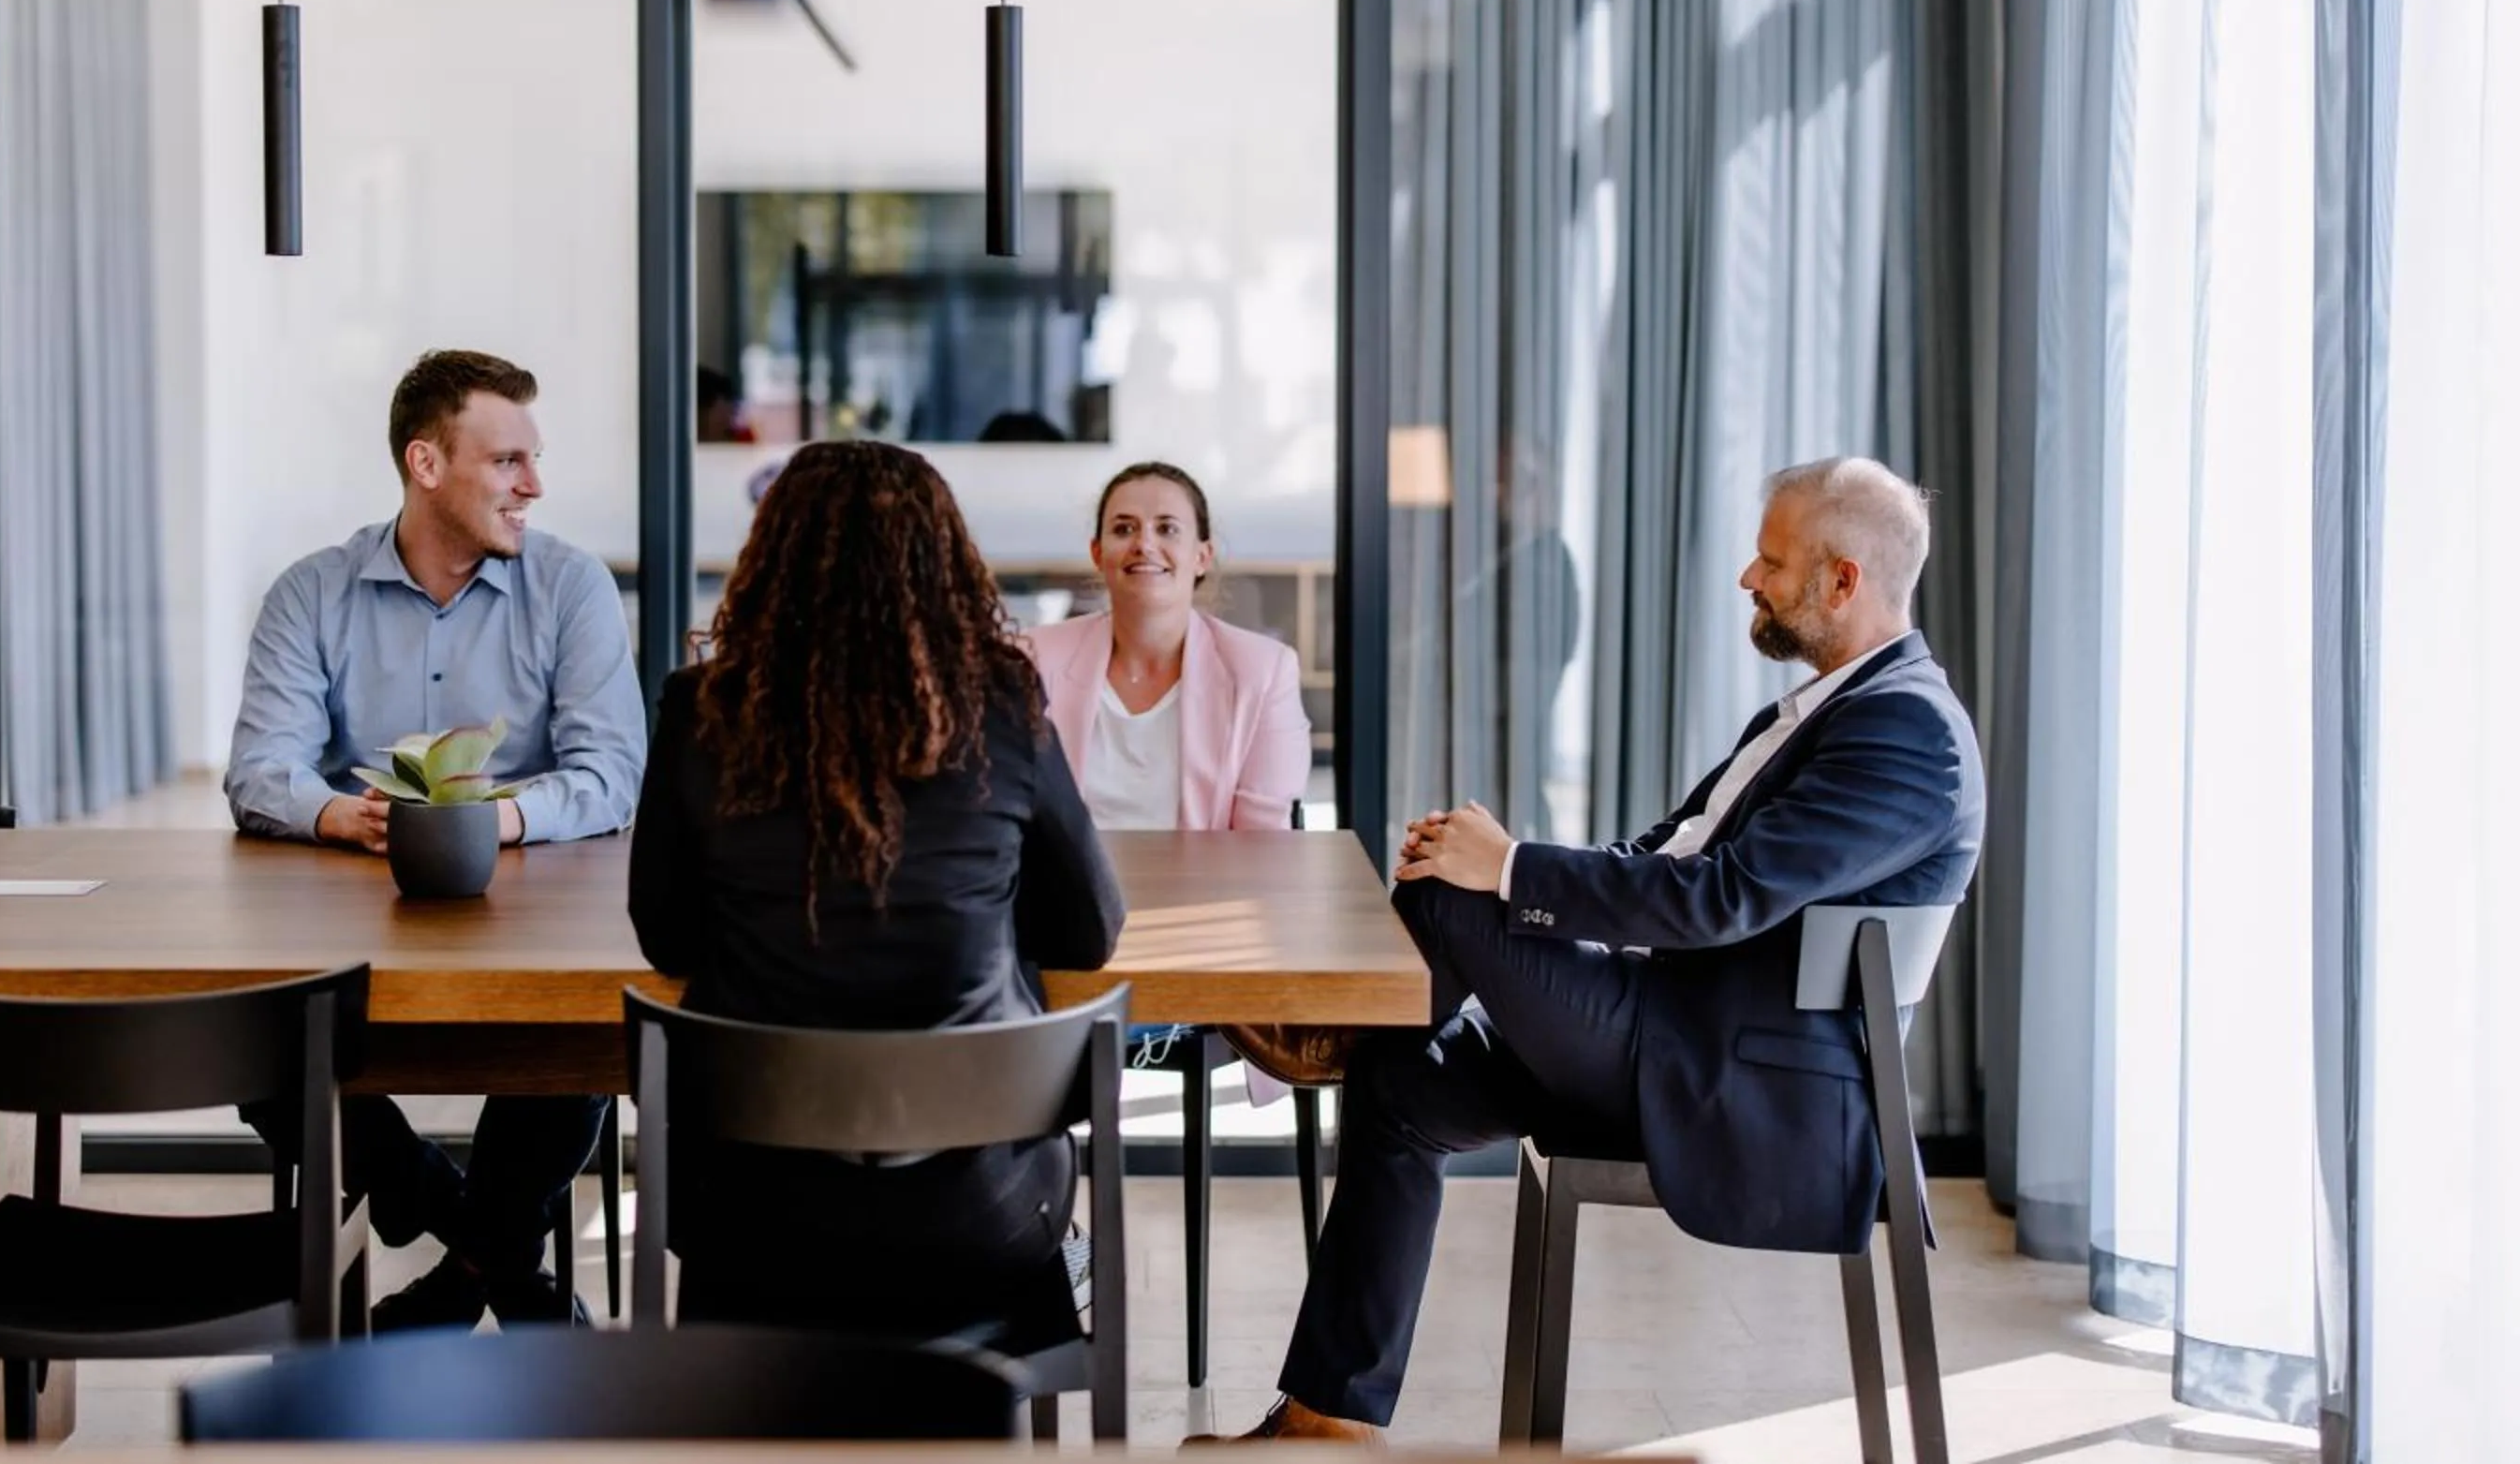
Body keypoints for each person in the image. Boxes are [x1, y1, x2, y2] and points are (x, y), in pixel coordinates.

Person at [1206, 456, 1984, 1442]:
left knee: (1452, 898)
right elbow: (1660, 855)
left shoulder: (1909, 732)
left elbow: (1721, 900)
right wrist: (1503, 861)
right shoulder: (1830, 707)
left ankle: (1327, 1031)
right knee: (1403, 1079)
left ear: (1843, 582)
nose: (1750, 577)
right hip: (1673, 1026)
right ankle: (1328, 1422)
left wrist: (1508, 871)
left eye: (1773, 561)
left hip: (1738, 1084)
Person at [628, 439, 1127, 1339]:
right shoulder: (1004, 706)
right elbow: (1091, 931)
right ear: (944, 568)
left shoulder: (699, 708)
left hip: (747, 1219)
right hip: (980, 1216)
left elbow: (665, 937)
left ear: (769, 559)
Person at [224, 348, 648, 1333]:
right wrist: (341, 815)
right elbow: (259, 771)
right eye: (507, 461)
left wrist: (482, 821)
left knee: (581, 1034)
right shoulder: (311, 593)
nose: (533, 485)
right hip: (350, 922)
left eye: (531, 461)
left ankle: (463, 1267)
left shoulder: (571, 588)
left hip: (532, 925)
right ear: (425, 463)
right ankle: (487, 1246)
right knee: (257, 1039)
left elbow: (611, 775)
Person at [1024, 461, 1312, 835]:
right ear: (1097, 554)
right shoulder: (1032, 658)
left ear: (1202, 556)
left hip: (1207, 890)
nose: (1144, 544)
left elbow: (1264, 845)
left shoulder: (1264, 671)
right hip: (1060, 891)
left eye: (1167, 529)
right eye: (1124, 529)